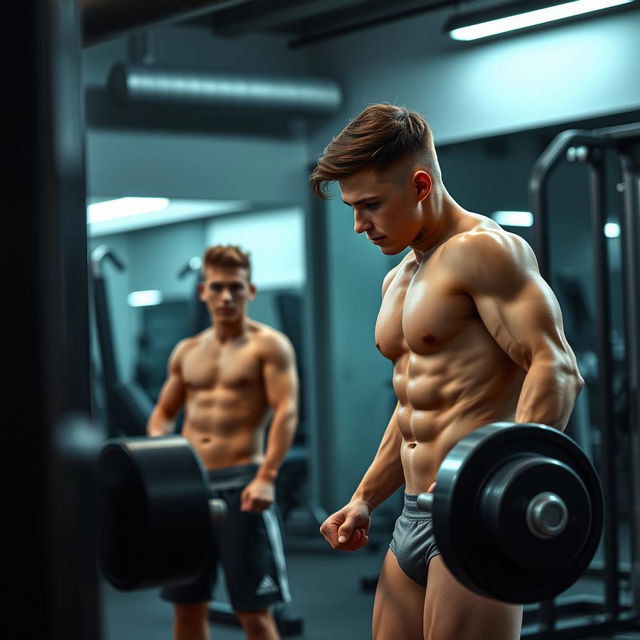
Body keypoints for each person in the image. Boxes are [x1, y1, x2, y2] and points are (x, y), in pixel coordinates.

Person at [311, 104, 584, 640]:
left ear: (419, 184)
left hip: (474, 509)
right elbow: (413, 405)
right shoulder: (399, 279)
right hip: (411, 514)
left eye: (370, 206)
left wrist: (506, 488)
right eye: (352, 208)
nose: (359, 225)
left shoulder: (484, 251)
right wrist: (366, 496)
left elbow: (556, 366)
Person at [147, 245, 299, 640]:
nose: (225, 297)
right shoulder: (187, 352)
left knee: (254, 612)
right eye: (217, 288)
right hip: (190, 491)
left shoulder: (269, 346)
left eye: (235, 287)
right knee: (187, 607)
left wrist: (267, 476)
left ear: (250, 290)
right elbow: (162, 415)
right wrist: (162, 461)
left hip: (243, 488)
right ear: (203, 292)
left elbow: (287, 412)